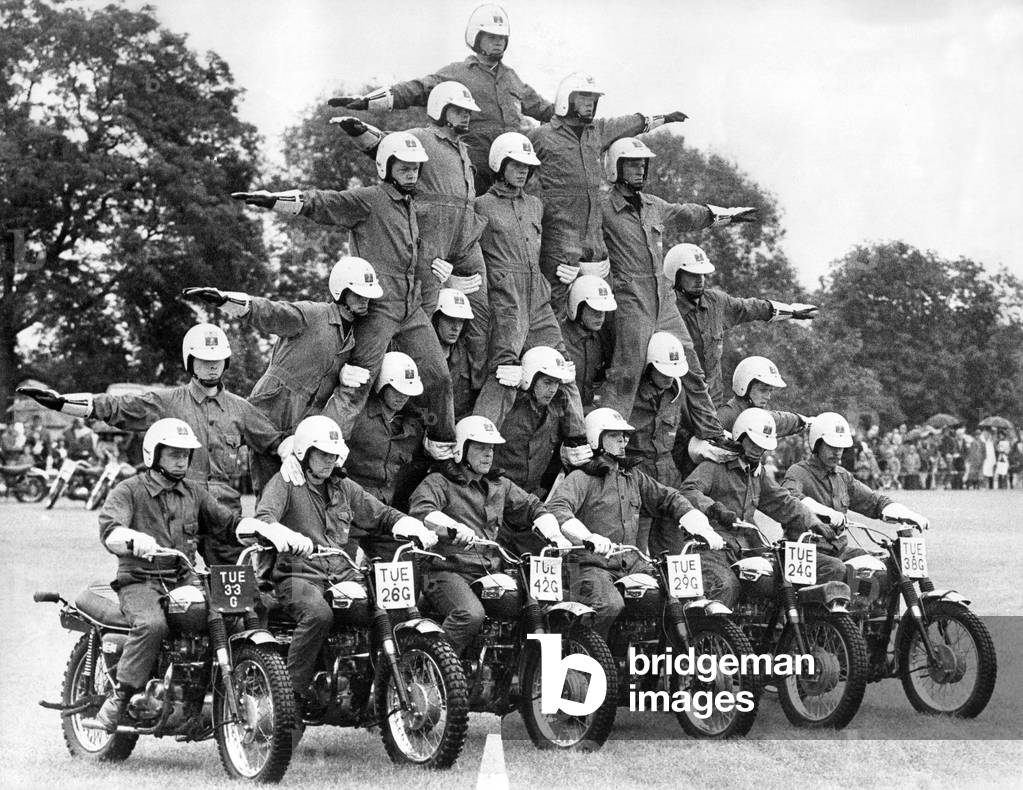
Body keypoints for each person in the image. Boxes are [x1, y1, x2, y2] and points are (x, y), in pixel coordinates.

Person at [231, 132, 458, 458]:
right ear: (386, 167)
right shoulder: (369, 199)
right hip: (377, 307)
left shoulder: (413, 206)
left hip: (412, 307)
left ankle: (443, 451)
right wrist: (276, 200)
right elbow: (325, 203)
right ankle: (322, 449)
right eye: (404, 168)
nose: (411, 174)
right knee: (357, 383)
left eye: (415, 168)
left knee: (438, 378)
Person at [89, 418, 308, 732]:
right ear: (154, 454)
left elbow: (228, 524)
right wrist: (134, 540)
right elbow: (110, 530)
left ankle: (197, 703)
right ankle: (119, 699)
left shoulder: (194, 493)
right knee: (152, 625)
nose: (181, 459)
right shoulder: (129, 490)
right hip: (141, 580)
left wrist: (264, 530)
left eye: (185, 454)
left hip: (184, 578)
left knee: (234, 618)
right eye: (173, 453)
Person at [19, 325, 291, 562]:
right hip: (174, 506)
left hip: (223, 513)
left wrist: (303, 452)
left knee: (238, 591)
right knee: (170, 588)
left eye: (218, 359)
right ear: (190, 361)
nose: (212, 365)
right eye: (204, 359)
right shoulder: (167, 402)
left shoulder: (240, 409)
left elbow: (274, 442)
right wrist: (63, 403)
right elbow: (118, 407)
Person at [256, 415, 436, 718]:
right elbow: (264, 519)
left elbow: (380, 514)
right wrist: (283, 535)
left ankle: (376, 688)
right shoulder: (285, 482)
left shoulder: (344, 488)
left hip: (343, 572)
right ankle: (290, 698)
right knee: (318, 614)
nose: (329, 461)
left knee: (390, 608)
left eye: (333, 454)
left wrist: (411, 526)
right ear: (304, 452)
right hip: (298, 574)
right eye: (322, 454)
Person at [330, 81, 490, 379]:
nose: (466, 117)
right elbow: (385, 146)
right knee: (421, 319)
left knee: (480, 313)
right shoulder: (422, 138)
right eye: (458, 110)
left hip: (466, 240)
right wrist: (356, 129)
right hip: (430, 241)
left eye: (468, 111)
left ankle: (472, 384)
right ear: (440, 110)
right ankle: (397, 385)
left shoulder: (464, 151)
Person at [599, 136, 756, 422]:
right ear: (615, 168)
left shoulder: (652, 205)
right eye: (632, 165)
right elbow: (579, 237)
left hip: (663, 297)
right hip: (629, 297)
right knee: (627, 371)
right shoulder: (602, 208)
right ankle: (606, 436)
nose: (640, 171)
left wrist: (726, 216)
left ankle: (711, 431)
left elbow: (686, 214)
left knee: (691, 365)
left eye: (642, 165)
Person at [329, 4, 554, 193]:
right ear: (476, 38)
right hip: (467, 168)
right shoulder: (457, 73)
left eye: (501, 38)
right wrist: (369, 101)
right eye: (491, 37)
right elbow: (418, 89)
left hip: (506, 173)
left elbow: (544, 109)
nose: (497, 42)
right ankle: (368, 136)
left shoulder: (512, 79)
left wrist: (579, 113)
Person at [546, 408, 717, 636]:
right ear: (596, 438)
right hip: (590, 565)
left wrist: (698, 525)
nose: (623, 440)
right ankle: (585, 654)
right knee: (608, 605)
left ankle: (655, 657)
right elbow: (557, 508)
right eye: (615, 435)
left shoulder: (632, 476)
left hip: (631, 563)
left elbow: (669, 497)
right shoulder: (581, 477)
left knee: (672, 595)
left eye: (624, 436)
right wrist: (588, 537)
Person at [528, 73, 689, 315]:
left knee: (599, 312)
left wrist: (664, 118)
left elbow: (628, 124)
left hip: (595, 244)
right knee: (555, 311)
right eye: (585, 97)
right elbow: (511, 160)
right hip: (560, 242)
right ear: (567, 99)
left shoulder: (596, 131)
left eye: (594, 99)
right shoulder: (542, 136)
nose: (590, 103)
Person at [409, 415, 568, 655]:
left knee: (532, 606)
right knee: (470, 615)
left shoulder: (499, 485)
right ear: (462, 449)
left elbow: (533, 507)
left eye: (491, 448)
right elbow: (422, 511)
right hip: (447, 571)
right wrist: (453, 527)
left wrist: (554, 534)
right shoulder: (439, 481)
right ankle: (435, 666)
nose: (488, 454)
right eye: (481, 447)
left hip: (489, 570)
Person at [187, 256, 379, 446]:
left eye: (368, 296)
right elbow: (271, 313)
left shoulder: (354, 339)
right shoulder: (313, 314)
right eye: (358, 295)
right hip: (273, 406)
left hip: (304, 421)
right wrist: (226, 301)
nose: (365, 301)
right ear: (341, 292)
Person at [471, 131, 585, 441]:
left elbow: (549, 248)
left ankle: (578, 441)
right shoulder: (481, 206)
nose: (523, 171)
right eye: (516, 164)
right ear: (500, 164)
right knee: (506, 372)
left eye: (527, 166)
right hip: (505, 298)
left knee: (562, 365)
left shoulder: (535, 205)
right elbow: (469, 251)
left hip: (538, 296)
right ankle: (477, 440)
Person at [678, 408, 847, 608]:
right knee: (726, 586)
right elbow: (688, 491)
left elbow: (783, 501)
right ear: (741, 437)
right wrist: (715, 509)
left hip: (750, 548)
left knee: (785, 582)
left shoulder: (757, 474)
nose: (758, 449)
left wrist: (813, 522)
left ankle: (787, 632)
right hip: (713, 548)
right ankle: (714, 635)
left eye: (762, 446)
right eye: (754, 443)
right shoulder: (715, 465)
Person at [668, 242, 819, 406]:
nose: (699, 280)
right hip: (678, 401)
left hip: (712, 402)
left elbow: (749, 307)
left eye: (702, 274)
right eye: (692, 274)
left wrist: (790, 311)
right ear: (676, 276)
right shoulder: (664, 310)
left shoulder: (716, 302)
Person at [343, 352, 432, 559]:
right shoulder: (356, 415)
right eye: (397, 389)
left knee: (404, 564)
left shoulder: (413, 427)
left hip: (385, 515)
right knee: (341, 574)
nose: (402, 396)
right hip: (349, 511)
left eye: (407, 391)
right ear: (382, 385)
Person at [560, 275, 616, 409]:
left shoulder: (600, 340)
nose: (601, 316)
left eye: (603, 310)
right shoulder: (559, 338)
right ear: (578, 308)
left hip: (586, 409)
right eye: (594, 310)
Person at [432, 288, 478, 421]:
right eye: (450, 320)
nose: (456, 327)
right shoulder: (423, 354)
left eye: (460, 321)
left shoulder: (468, 355)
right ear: (437, 319)